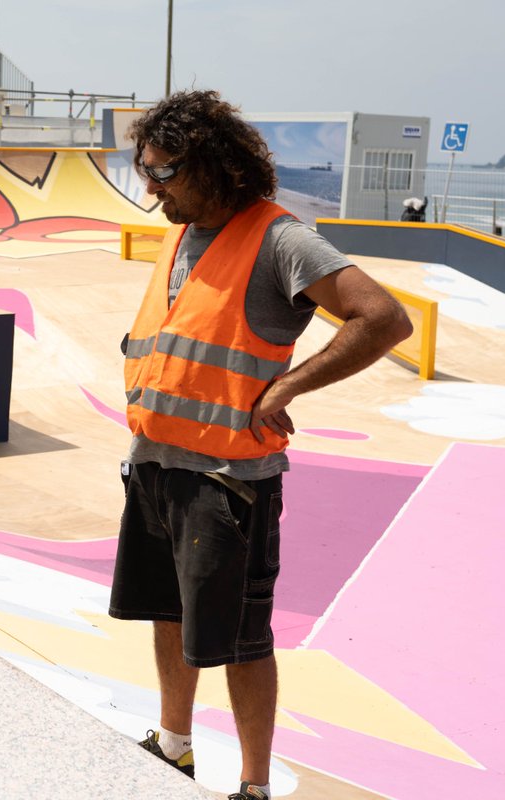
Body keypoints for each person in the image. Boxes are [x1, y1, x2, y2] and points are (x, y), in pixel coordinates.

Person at [109, 91, 412, 800]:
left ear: (213, 164)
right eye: (146, 171)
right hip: (156, 462)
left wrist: (288, 388)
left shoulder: (281, 240)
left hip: (228, 481)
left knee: (244, 640)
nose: (151, 189)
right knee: (168, 612)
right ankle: (174, 746)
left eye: (164, 172)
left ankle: (254, 787)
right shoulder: (183, 232)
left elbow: (383, 318)